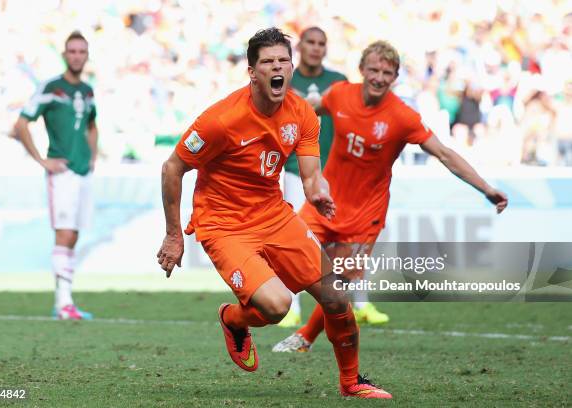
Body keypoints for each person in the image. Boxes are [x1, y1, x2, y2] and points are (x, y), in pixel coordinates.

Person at [157, 28, 392, 399]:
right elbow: (172, 168)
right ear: (252, 72)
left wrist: (317, 193)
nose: (277, 67)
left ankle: (351, 383)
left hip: (273, 215)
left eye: (283, 60)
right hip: (224, 225)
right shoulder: (221, 120)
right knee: (277, 306)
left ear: (292, 67)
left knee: (336, 296)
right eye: (268, 61)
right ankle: (232, 319)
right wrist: (173, 235)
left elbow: (312, 175)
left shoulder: (302, 114)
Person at [272, 40, 508, 353]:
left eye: (387, 72)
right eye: (374, 70)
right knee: (285, 251)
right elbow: (305, 108)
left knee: (338, 281)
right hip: (324, 203)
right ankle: (259, 315)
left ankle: (305, 337)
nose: (380, 77)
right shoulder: (340, 94)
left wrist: (486, 188)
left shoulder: (402, 117)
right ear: (362, 70)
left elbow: (444, 154)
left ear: (395, 76)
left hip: (364, 216)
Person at [279, 26, 389, 328]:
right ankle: (292, 307)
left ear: (326, 49)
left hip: (337, 176)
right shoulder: (284, 79)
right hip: (295, 169)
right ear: (300, 46)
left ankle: (362, 304)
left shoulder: (339, 83)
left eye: (321, 43)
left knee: (352, 241)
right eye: (311, 42)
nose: (316, 48)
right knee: (295, 238)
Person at [14, 31, 98, 320]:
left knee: (73, 234)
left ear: (87, 55)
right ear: (64, 54)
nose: (77, 56)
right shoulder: (51, 87)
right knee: (63, 233)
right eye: (72, 51)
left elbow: (92, 125)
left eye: (81, 51)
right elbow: (21, 124)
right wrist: (41, 160)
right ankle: (63, 302)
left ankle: (65, 301)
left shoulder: (87, 91)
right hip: (61, 173)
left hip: (82, 171)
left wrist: (93, 156)